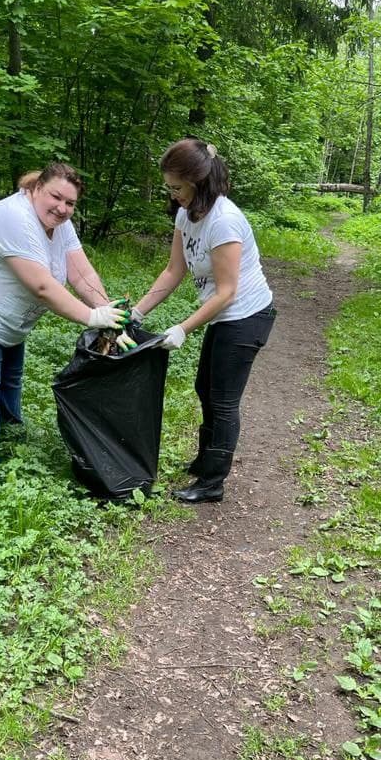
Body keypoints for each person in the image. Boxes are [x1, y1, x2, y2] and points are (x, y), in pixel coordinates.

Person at [0, 163, 131, 444]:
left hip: (10, 321)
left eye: (70, 203)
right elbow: (41, 287)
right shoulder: (12, 218)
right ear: (37, 188)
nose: (62, 208)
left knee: (10, 382)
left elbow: (82, 273)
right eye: (56, 197)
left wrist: (112, 317)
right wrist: (92, 317)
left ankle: (12, 446)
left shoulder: (60, 225)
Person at [131, 138, 276, 504]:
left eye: (177, 187)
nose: (173, 194)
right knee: (204, 388)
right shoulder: (186, 213)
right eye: (169, 187)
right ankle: (204, 460)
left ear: (197, 180)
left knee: (223, 399)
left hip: (247, 316)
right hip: (225, 316)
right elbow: (173, 271)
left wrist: (182, 328)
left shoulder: (224, 221)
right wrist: (136, 311)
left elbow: (227, 291)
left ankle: (213, 482)